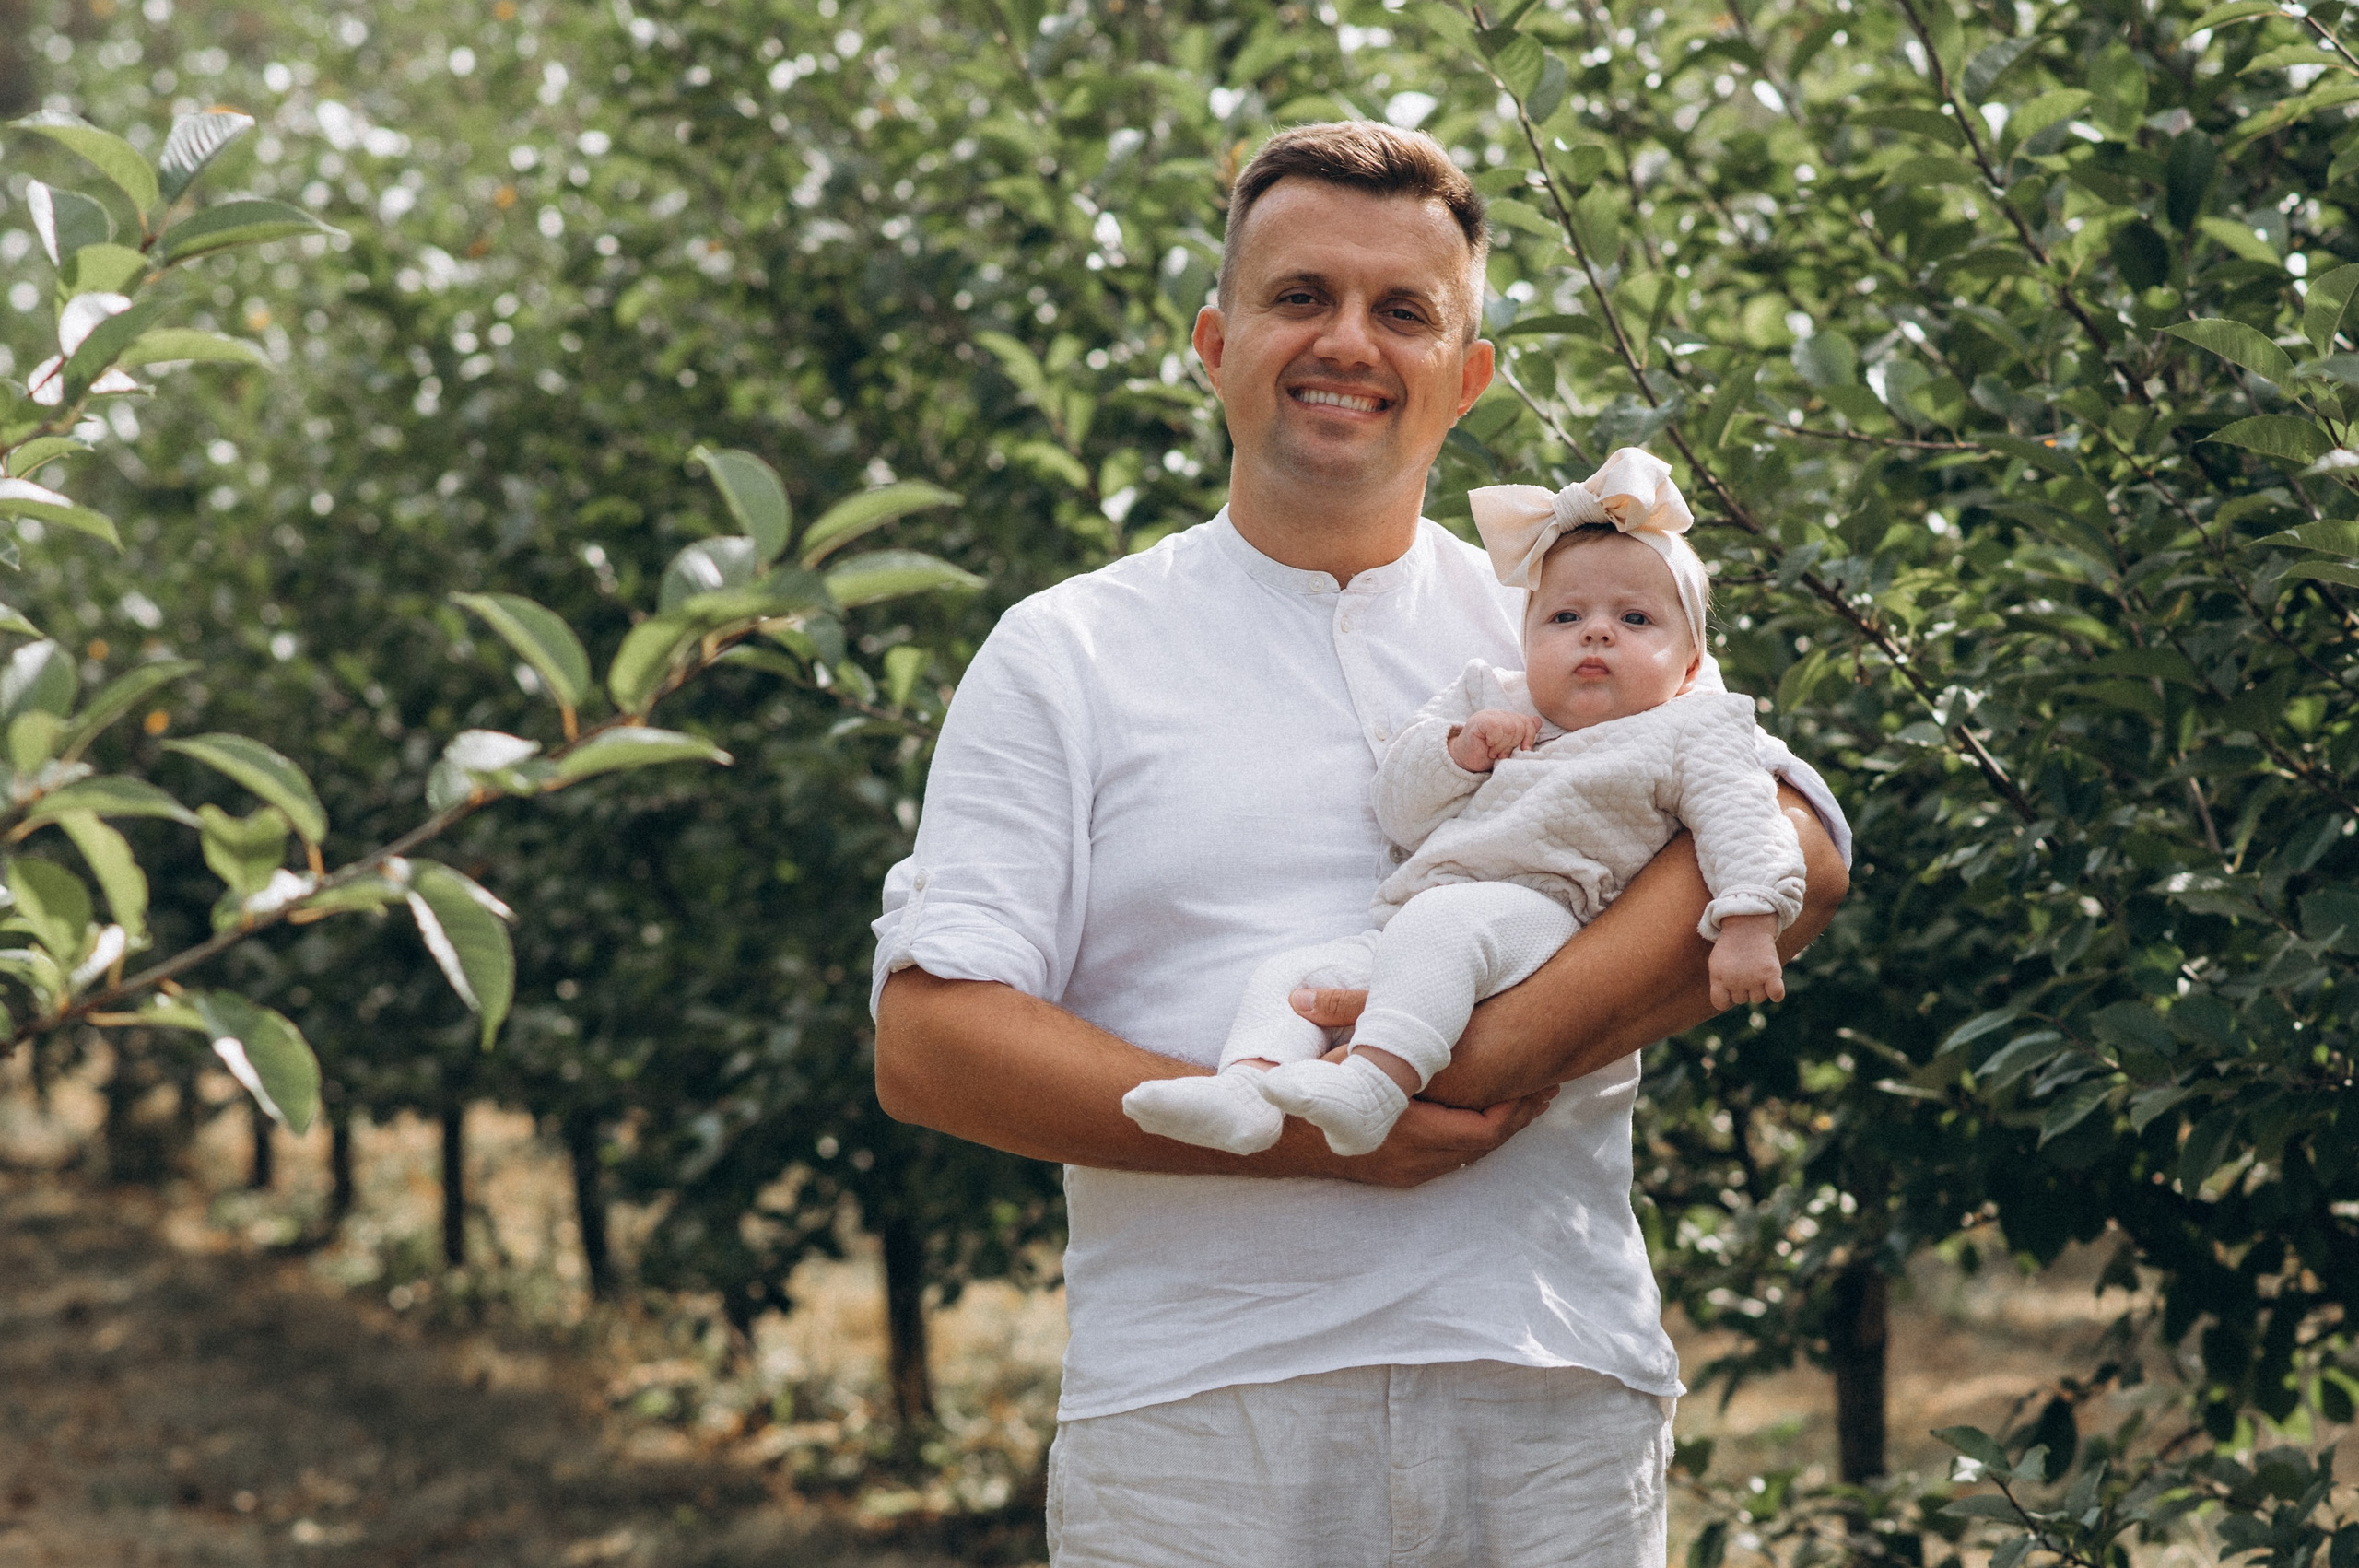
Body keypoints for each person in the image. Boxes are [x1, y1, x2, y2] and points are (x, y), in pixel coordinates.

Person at [873, 121, 1851, 1566]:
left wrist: (1477, 1062)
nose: (1349, 342)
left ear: (1469, 376)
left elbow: (1797, 843)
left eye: (1403, 311)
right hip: (1204, 1411)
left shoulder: (1577, 620)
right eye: (1300, 297)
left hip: (1542, 1379)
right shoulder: (1067, 650)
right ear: (1214, 341)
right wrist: (1304, 1141)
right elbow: (930, 1042)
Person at [1122, 448, 1806, 1161]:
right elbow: (1400, 811)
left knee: (1445, 928)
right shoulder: (1491, 699)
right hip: (1418, 914)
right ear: (1528, 636)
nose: (1596, 632)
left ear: (1690, 664)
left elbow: (1746, 818)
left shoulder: (1690, 726)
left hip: (1551, 913)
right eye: (1565, 616)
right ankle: (1246, 1092)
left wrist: (1751, 916)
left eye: (1635, 620)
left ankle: (1374, 1085)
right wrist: (1459, 750)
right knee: (1295, 976)